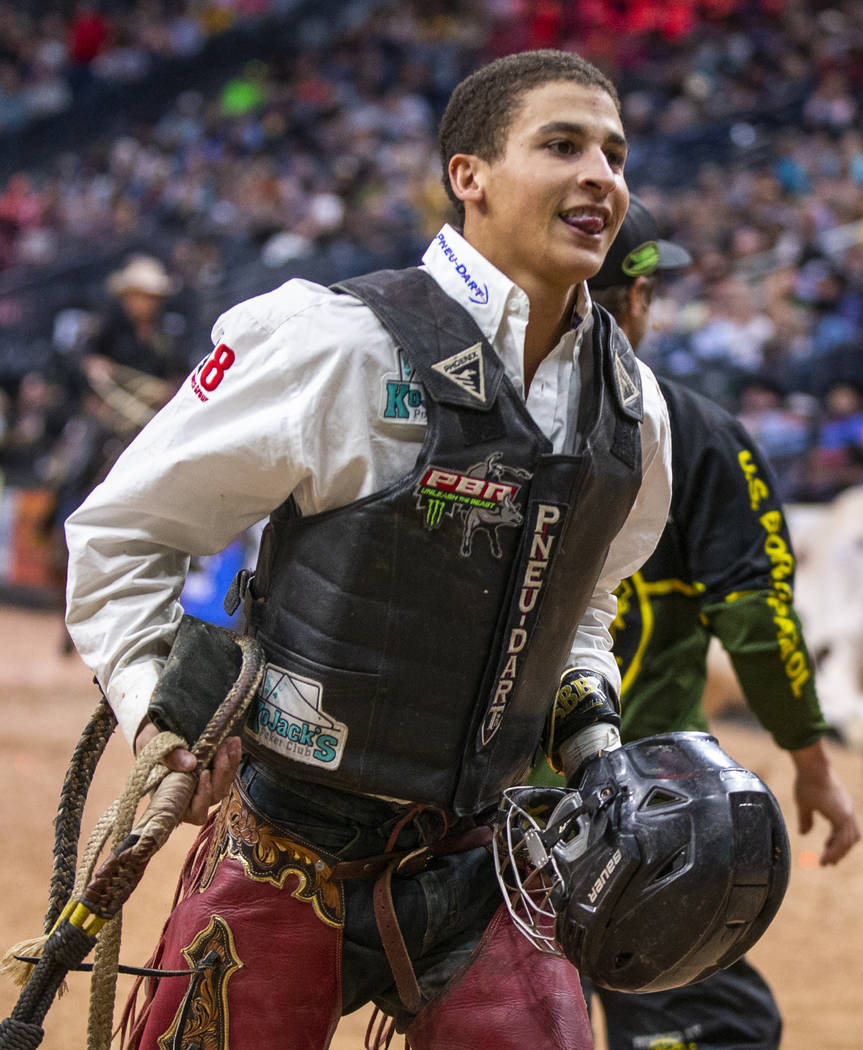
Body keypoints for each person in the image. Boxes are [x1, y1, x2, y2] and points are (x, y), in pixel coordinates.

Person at [63, 51, 673, 1050]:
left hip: (491, 857)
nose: (601, 175)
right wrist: (157, 716)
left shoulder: (631, 405)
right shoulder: (336, 343)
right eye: (562, 145)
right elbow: (125, 534)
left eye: (615, 152)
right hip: (284, 835)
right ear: (468, 175)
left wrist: (595, 741)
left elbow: (588, 600)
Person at [583, 196, 862, 1050]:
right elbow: (757, 621)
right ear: (634, 300)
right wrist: (812, 763)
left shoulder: (477, 414)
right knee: (721, 1026)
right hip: (641, 807)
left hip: (482, 803)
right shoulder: (700, 433)